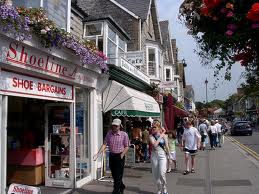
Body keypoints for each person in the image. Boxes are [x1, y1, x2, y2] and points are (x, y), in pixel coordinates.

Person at [93, 118, 129, 194]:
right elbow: (104, 144)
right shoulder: (109, 133)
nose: (114, 127)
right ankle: (121, 186)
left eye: (116, 126)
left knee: (118, 175)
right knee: (114, 174)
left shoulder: (124, 134)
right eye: (113, 125)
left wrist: (122, 155)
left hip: (120, 156)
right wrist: (98, 154)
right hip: (112, 156)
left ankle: (116, 191)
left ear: (119, 126)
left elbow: (126, 146)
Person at [149, 123, 170, 194]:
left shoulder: (164, 136)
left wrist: (169, 157)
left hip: (162, 155)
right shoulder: (151, 136)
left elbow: (167, 147)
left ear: (158, 128)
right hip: (154, 156)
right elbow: (155, 145)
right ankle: (159, 189)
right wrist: (162, 134)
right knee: (156, 175)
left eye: (154, 127)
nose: (153, 128)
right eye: (152, 127)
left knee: (162, 173)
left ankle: (164, 188)